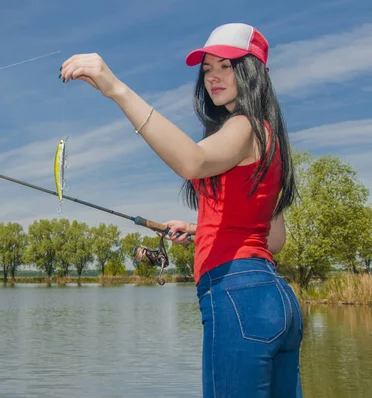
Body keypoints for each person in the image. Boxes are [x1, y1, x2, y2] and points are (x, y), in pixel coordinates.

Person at [60, 22, 303, 397]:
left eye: (227, 66)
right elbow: (274, 239)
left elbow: (192, 161)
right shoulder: (271, 139)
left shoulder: (242, 127)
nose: (213, 77)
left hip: (236, 295)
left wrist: (116, 89)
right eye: (208, 69)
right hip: (278, 301)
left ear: (252, 72)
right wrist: (202, 229)